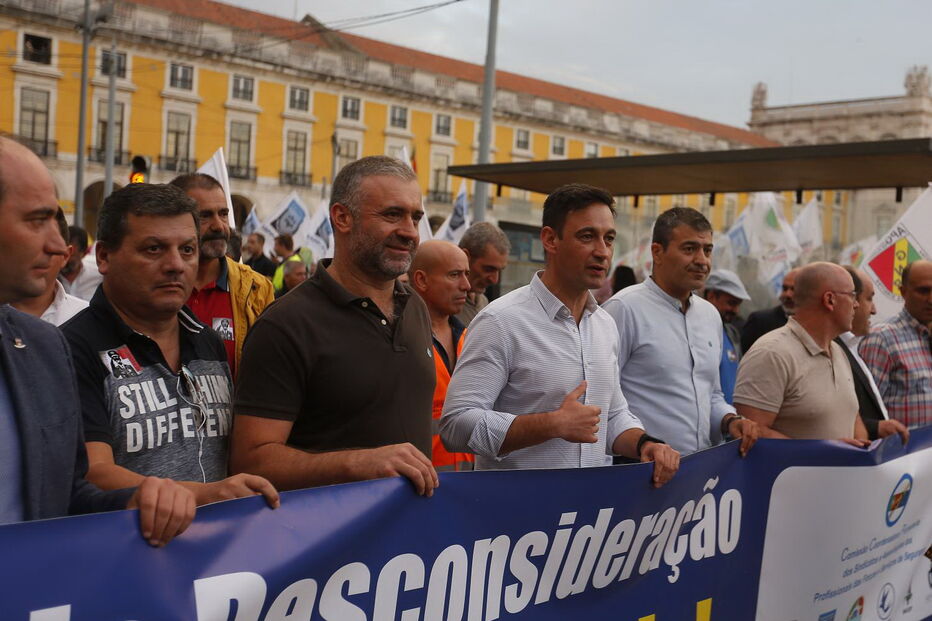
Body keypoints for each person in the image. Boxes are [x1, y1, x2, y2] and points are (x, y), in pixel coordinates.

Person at [0, 135, 192, 546]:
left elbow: (64, 494)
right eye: (36, 220)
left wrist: (137, 500)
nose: (57, 245)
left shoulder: (44, 347)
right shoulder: (74, 343)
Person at [441, 184, 680, 485]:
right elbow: (456, 425)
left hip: (589, 520)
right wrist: (552, 424)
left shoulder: (605, 325)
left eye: (608, 239)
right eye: (587, 236)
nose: (602, 251)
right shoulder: (500, 321)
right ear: (550, 239)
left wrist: (646, 444)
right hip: (516, 521)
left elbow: (612, 416)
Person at [62, 183, 279, 510]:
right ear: (104, 256)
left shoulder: (209, 342)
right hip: (125, 552)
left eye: (187, 250)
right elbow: (93, 473)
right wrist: (207, 496)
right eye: (154, 249)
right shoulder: (72, 347)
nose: (176, 264)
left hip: (221, 554)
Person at [231, 156, 438, 495]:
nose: (410, 231)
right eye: (392, 214)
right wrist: (357, 464)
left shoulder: (415, 305)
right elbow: (250, 462)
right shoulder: (285, 325)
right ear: (342, 217)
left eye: (415, 217)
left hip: (411, 540)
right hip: (328, 541)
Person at [603, 209, 759, 456]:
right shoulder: (623, 309)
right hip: (639, 470)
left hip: (698, 474)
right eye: (689, 249)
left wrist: (730, 420)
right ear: (657, 252)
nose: (702, 260)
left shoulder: (710, 315)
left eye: (707, 250)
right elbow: (603, 399)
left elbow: (712, 395)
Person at [733, 262, 869, 442]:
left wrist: (860, 451)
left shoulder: (837, 351)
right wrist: (828, 453)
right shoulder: (771, 353)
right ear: (830, 300)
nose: (857, 305)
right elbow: (751, 432)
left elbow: (852, 415)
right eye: (852, 296)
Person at [169, 173, 274, 380]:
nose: (219, 226)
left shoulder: (257, 289)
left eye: (223, 214)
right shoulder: (154, 285)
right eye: (204, 216)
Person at [408, 240, 474, 471]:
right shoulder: (399, 341)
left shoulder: (471, 338)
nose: (466, 285)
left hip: (467, 488)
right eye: (454, 275)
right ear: (421, 280)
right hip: (416, 488)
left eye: (466, 274)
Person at [834, 267, 909, 442]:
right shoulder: (828, 351)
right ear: (852, 300)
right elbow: (827, 420)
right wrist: (876, 428)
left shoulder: (852, 347)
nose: (874, 310)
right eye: (869, 298)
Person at [859, 260, 932, 430]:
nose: (931, 299)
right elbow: (864, 412)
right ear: (903, 292)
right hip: (902, 453)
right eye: (923, 291)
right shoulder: (881, 339)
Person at [11, 208, 88, 325]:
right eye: (28, 245)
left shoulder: (84, 316)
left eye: (49, 247)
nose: (36, 255)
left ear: (65, 255)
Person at [702, 269, 752, 404]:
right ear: (711, 296)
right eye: (731, 303)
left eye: (738, 305)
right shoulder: (695, 332)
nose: (736, 310)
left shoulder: (731, 333)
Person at [455, 222, 510, 326]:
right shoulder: (443, 303)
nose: (494, 280)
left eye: (499, 270)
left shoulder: (483, 302)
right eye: (489, 269)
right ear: (465, 257)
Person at [740, 267, 800, 353]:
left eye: (793, 289)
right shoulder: (759, 321)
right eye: (785, 288)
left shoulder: (813, 324)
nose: (788, 294)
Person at [58, 224, 103, 301]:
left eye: (71, 256)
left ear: (84, 253)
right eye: (62, 254)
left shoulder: (99, 274)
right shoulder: (50, 276)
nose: (65, 260)